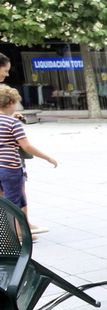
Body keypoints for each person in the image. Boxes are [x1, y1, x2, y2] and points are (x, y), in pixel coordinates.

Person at [0, 86, 58, 227]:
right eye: (16, 103)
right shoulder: (13, 123)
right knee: (14, 202)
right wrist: (47, 157)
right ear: (10, 103)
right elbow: (26, 146)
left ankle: (12, 231)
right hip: (10, 168)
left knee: (4, 201)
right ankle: (18, 234)